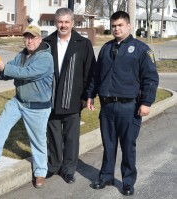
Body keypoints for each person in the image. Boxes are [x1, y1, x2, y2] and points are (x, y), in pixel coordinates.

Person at [86, 11, 159, 196]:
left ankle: (127, 181)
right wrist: (90, 94)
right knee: (108, 145)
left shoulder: (141, 49)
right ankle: (105, 177)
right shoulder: (106, 48)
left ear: (128, 26)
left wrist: (146, 102)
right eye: (114, 26)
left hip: (129, 107)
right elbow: (96, 74)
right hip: (107, 106)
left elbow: (150, 78)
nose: (116, 29)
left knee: (128, 146)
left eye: (120, 25)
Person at [0, 25, 54, 189]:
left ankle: (40, 172)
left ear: (40, 39)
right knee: (1, 126)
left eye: (32, 37)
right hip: (18, 101)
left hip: (37, 107)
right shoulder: (22, 55)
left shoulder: (46, 58)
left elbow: (27, 73)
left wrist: (4, 68)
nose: (29, 40)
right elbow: (13, 70)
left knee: (38, 140)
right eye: (26, 37)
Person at [43, 7, 96, 183]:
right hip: (50, 98)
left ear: (73, 23)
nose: (63, 25)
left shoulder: (83, 44)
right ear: (55, 23)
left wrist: (89, 95)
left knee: (71, 137)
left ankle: (68, 169)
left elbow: (90, 72)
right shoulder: (46, 43)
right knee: (54, 135)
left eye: (67, 22)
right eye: (60, 22)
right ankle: (54, 166)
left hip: (73, 98)